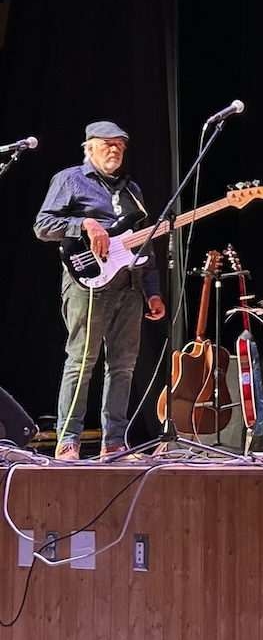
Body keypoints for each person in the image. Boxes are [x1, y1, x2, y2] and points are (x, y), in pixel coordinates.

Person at [33, 120, 166, 461]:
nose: (115, 150)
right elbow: (43, 226)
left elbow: (144, 245)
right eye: (107, 144)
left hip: (130, 287)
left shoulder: (131, 188)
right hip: (87, 283)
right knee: (81, 362)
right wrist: (84, 223)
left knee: (123, 366)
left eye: (120, 145)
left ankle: (115, 442)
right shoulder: (70, 179)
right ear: (89, 147)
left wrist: (152, 291)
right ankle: (68, 440)